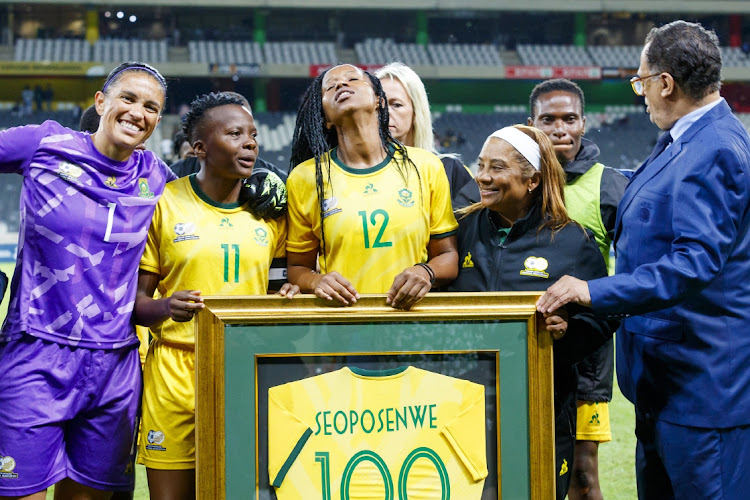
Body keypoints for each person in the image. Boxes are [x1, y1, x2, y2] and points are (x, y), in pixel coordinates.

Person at [537, 21, 750, 499]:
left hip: (703, 392)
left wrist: (593, 290)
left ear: (666, 83)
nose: (641, 93)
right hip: (666, 383)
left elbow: (694, 263)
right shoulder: (681, 139)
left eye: (641, 80)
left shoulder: (716, 149)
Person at [0, 61, 174, 500]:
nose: (138, 112)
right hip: (34, 353)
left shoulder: (156, 177)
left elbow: (209, 207)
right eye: (128, 98)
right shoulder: (46, 144)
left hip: (114, 365)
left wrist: (260, 184)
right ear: (101, 102)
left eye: (151, 107)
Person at [134, 92, 298, 499]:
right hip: (174, 371)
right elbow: (136, 304)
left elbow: (284, 287)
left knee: (239, 490)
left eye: (253, 135)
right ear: (200, 148)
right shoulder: (165, 205)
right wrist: (165, 307)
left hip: (242, 370)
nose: (250, 143)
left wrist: (292, 292)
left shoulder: (271, 212)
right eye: (235, 133)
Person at [446, 125, 619, 500]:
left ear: (532, 180)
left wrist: (566, 331)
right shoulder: (459, 230)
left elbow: (605, 316)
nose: (483, 177)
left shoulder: (571, 240)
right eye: (480, 165)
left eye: (497, 167)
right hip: (463, 404)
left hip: (541, 407)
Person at [286, 64, 458, 308]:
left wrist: (425, 271)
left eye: (352, 79)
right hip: (341, 326)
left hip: (411, 327)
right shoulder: (305, 178)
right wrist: (316, 281)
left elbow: (448, 257)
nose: (341, 85)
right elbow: (296, 268)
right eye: (330, 86)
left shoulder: (425, 166)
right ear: (325, 119)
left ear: (379, 100)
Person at [528, 78, 628, 500]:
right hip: (525, 343)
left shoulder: (609, 186)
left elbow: (633, 270)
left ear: (584, 123)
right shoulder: (517, 181)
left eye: (569, 119)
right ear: (531, 124)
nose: (559, 129)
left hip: (585, 351)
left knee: (582, 476)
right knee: (525, 463)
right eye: (547, 120)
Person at [374, 62, 474, 205]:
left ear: (416, 111)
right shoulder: (357, 172)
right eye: (379, 105)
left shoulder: (449, 171)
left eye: (396, 105)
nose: (386, 113)